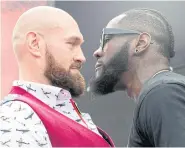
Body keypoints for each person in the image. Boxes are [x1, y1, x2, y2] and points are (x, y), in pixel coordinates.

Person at [0, 6, 114, 147]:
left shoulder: (56, 112)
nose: (81, 57)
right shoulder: (16, 119)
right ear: (35, 44)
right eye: (71, 44)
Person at [89, 8, 185, 146]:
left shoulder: (163, 93)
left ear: (140, 43)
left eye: (106, 39)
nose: (97, 52)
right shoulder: (161, 93)